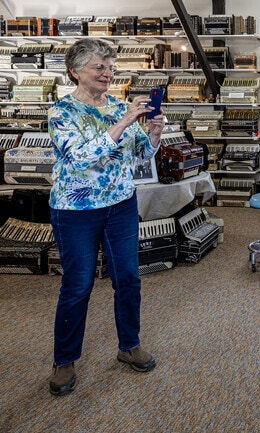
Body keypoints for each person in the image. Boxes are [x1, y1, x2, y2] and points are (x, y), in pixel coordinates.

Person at [47, 39, 165, 396]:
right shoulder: (61, 113)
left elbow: (138, 153)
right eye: (99, 67)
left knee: (128, 279)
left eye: (111, 67)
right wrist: (128, 118)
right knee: (78, 285)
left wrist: (154, 133)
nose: (107, 73)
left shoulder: (117, 105)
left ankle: (129, 345)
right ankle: (64, 360)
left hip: (120, 204)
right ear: (75, 72)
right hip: (75, 211)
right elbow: (81, 158)